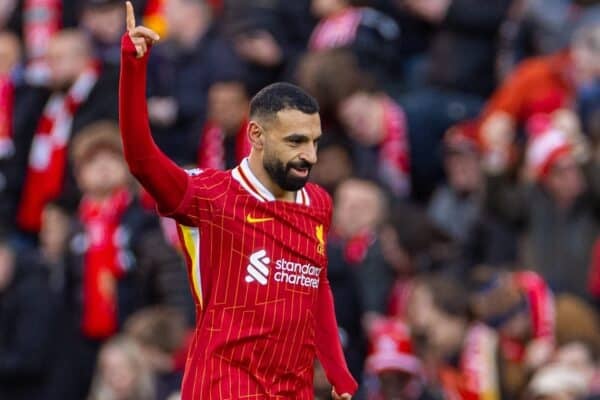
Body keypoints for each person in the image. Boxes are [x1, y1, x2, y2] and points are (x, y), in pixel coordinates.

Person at [120, 2, 357, 399]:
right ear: (257, 136)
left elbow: (316, 288)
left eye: (314, 142)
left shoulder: (317, 203)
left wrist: (337, 371)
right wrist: (133, 69)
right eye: (295, 141)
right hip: (223, 387)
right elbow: (142, 161)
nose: (310, 156)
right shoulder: (212, 195)